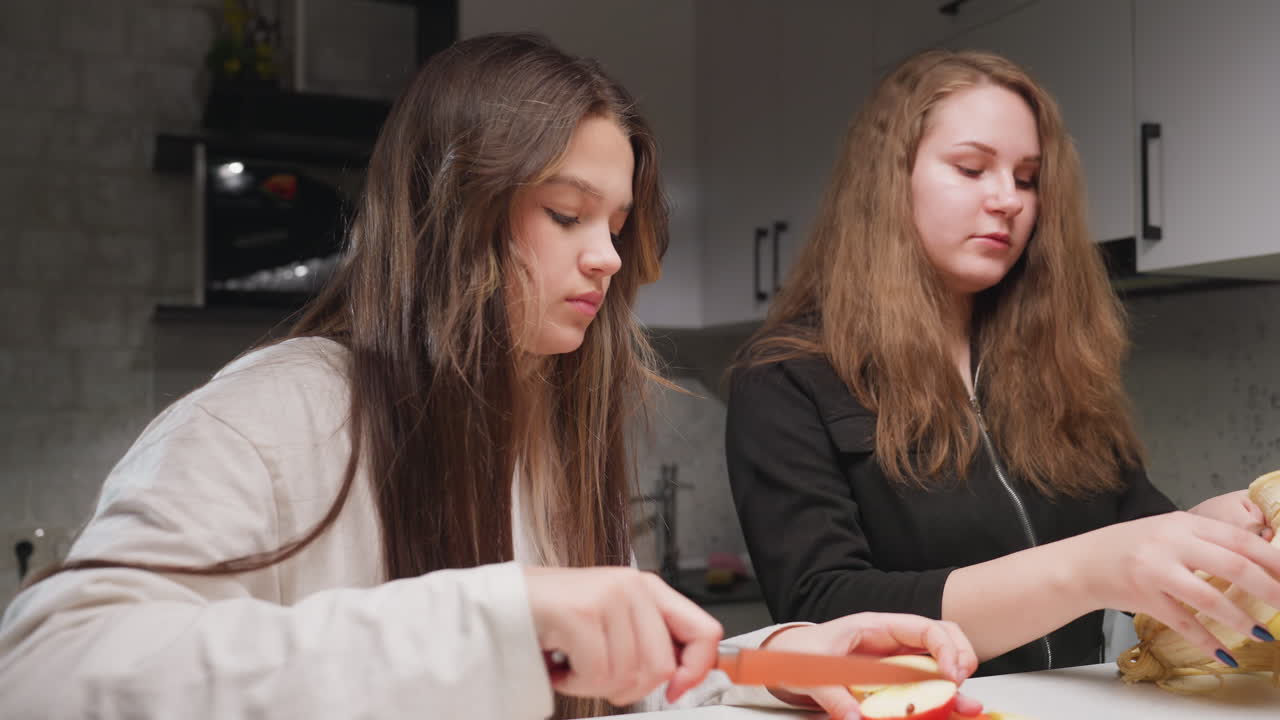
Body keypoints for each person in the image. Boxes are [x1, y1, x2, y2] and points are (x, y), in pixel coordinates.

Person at [0, 34, 981, 720]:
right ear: (451, 211)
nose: (606, 256)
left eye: (616, 224)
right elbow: (42, 675)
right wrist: (495, 620)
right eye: (565, 215)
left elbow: (606, 685)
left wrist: (773, 662)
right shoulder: (274, 415)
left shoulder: (550, 430)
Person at [725, 48, 1280, 678]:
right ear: (887, 180)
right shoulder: (785, 377)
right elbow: (823, 612)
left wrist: (1221, 527)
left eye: (1026, 177)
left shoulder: (1054, 362)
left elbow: (1135, 526)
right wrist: (1085, 570)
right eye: (971, 168)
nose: (1008, 200)